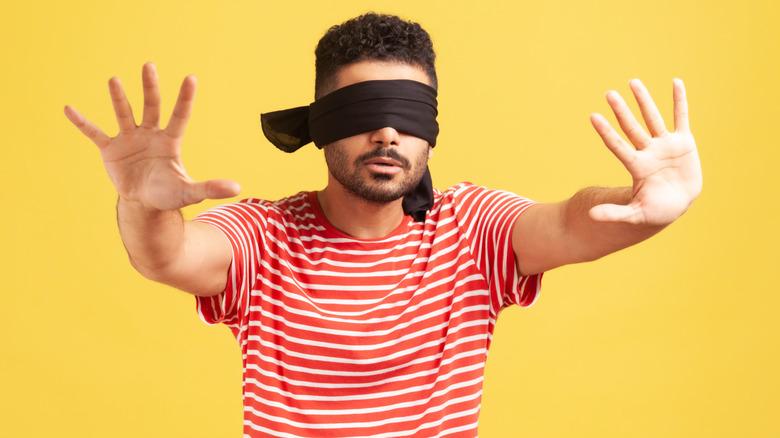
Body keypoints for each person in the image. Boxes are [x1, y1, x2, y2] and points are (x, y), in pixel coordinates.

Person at [64, 12, 701, 438]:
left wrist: (642, 203)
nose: (389, 132)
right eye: (364, 111)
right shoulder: (261, 236)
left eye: (407, 114)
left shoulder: (472, 230)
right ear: (319, 125)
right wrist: (144, 204)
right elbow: (168, 256)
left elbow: (571, 224)